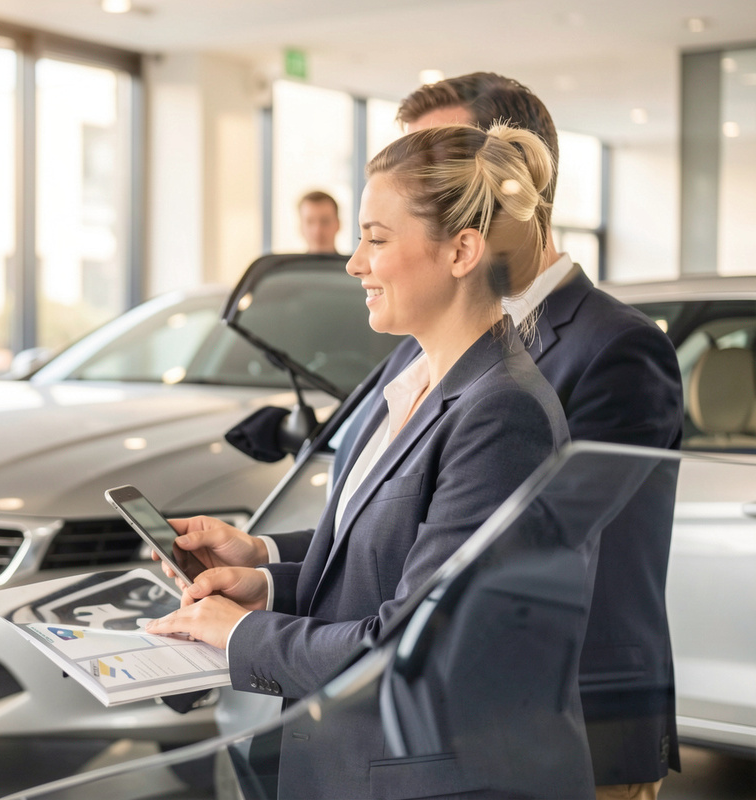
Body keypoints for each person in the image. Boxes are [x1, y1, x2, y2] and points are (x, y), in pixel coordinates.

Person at [167, 73, 683, 800]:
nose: (354, 262)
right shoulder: (419, 357)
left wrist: (243, 634)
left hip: (489, 740)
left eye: (378, 236)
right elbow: (400, 538)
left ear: (468, 232)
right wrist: (266, 570)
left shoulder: (552, 380)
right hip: (365, 740)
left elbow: (474, 605)